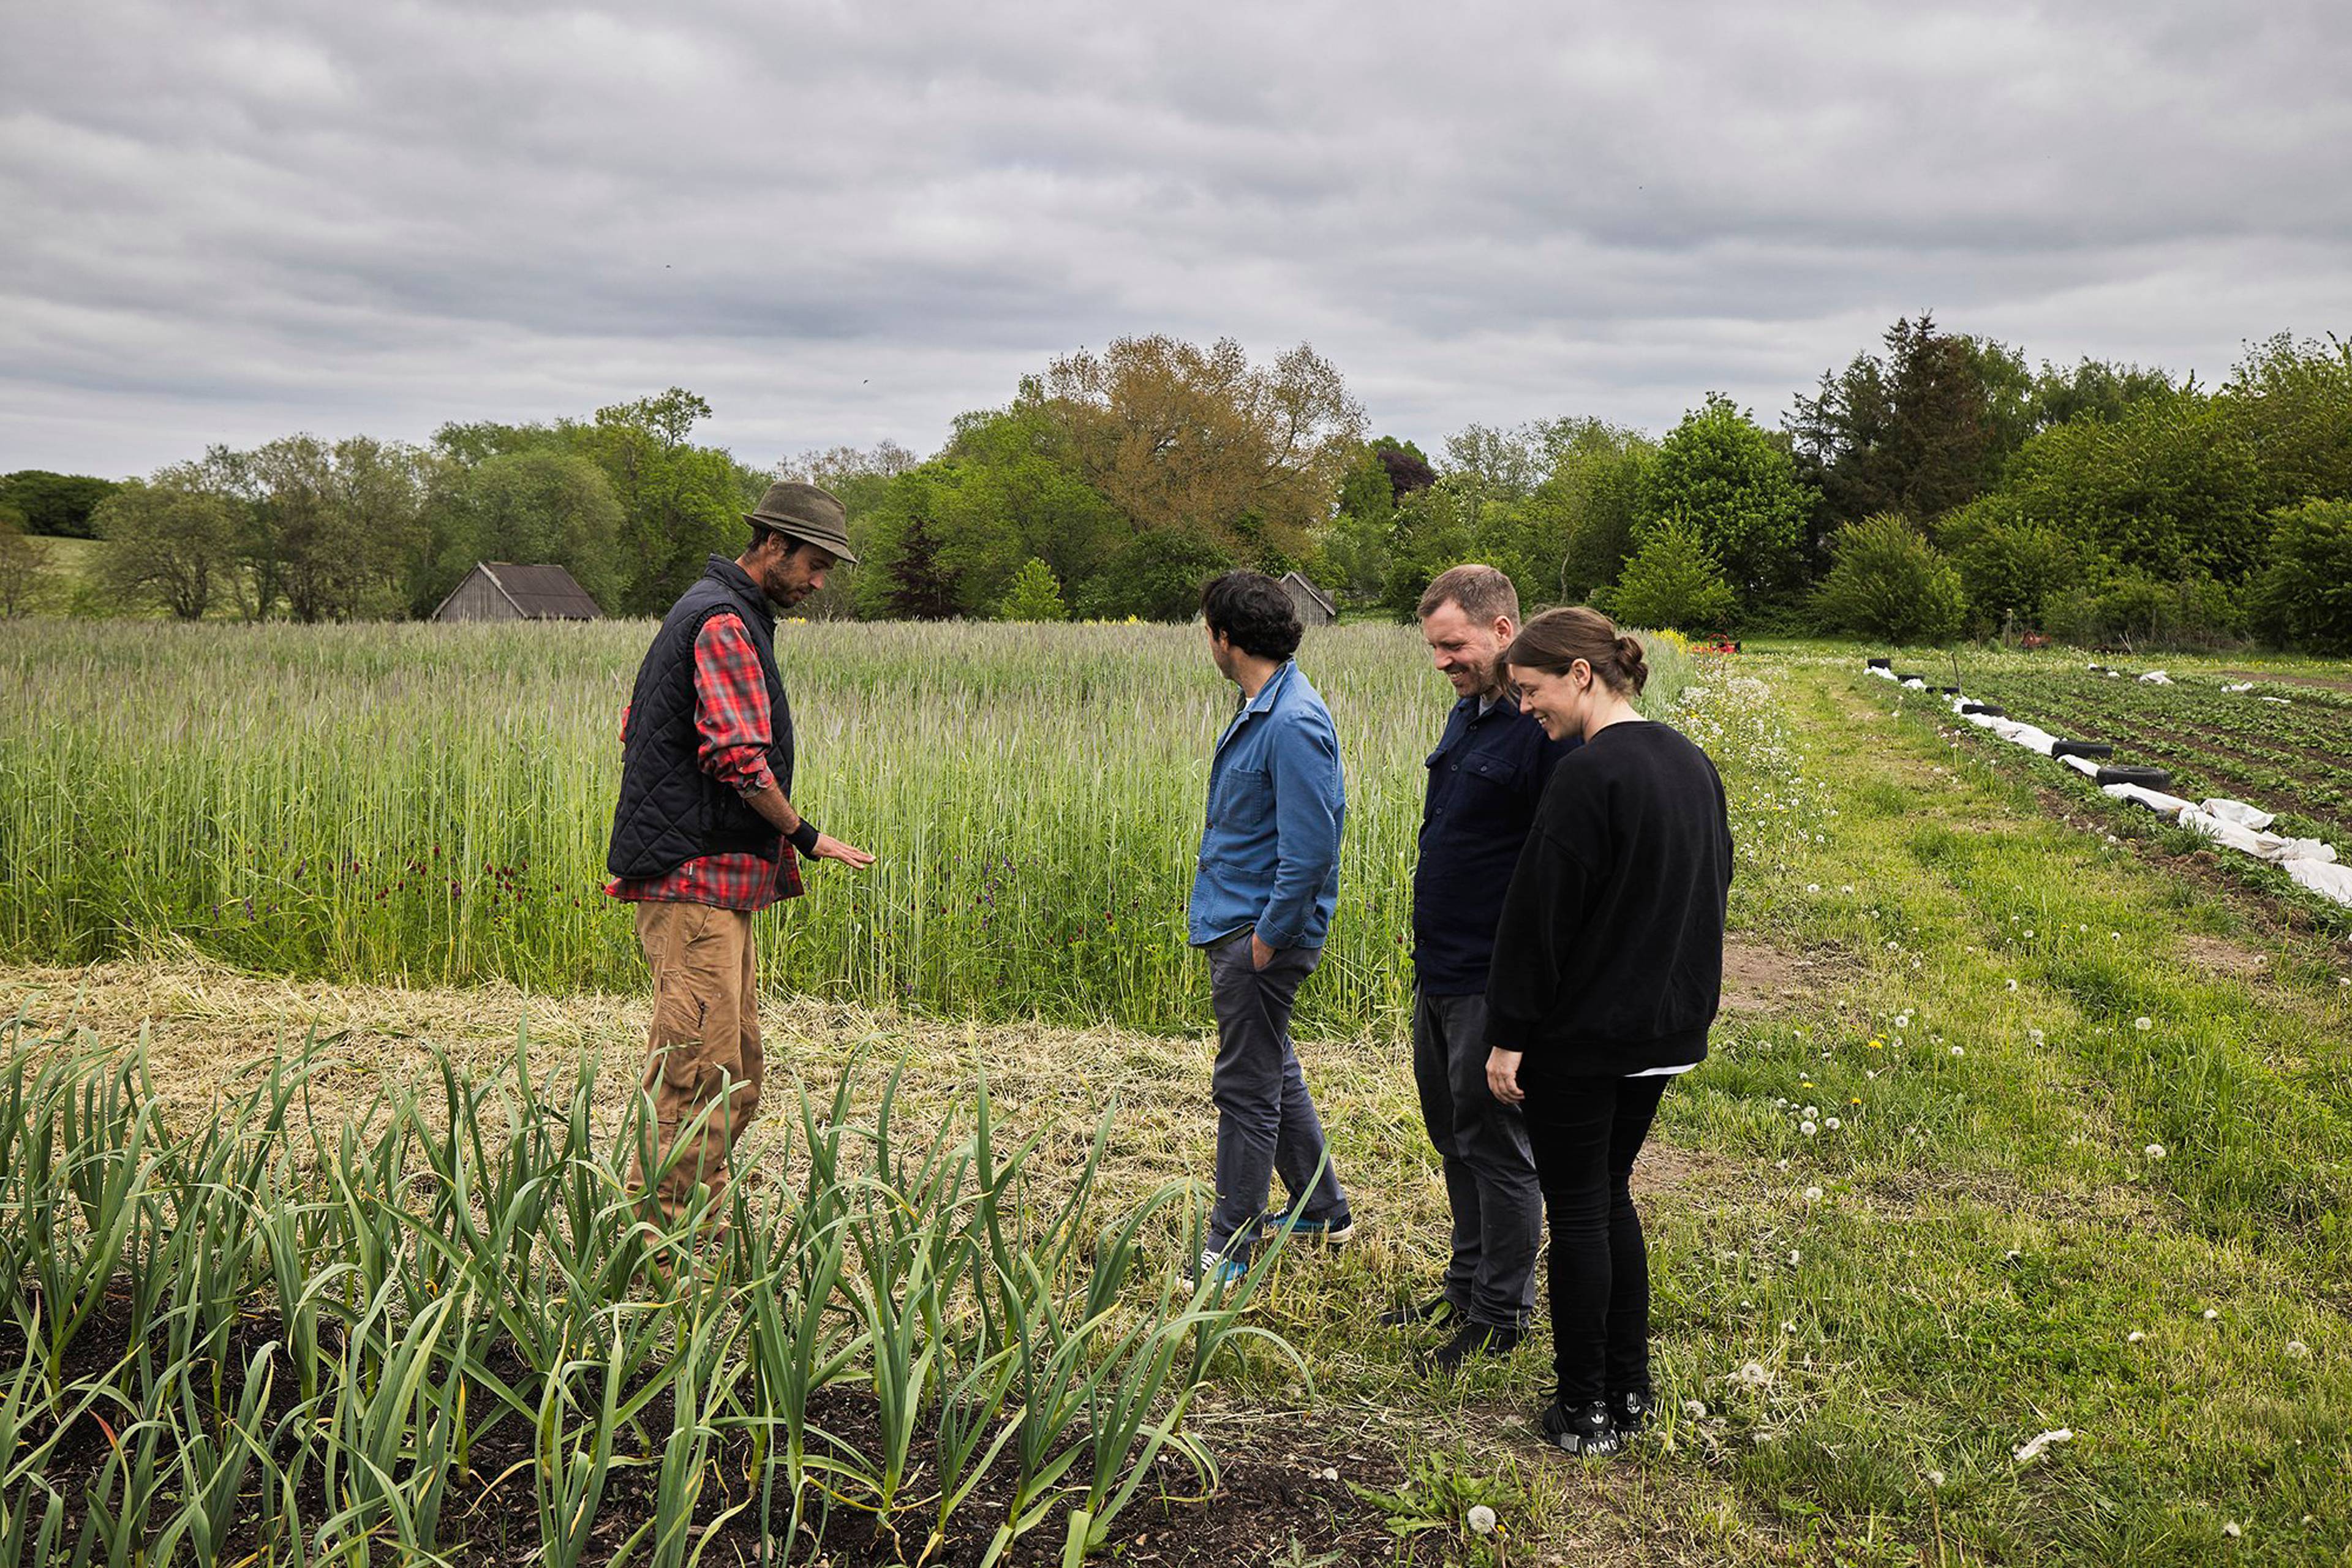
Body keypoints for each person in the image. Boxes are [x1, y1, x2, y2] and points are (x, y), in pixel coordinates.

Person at [1482, 606, 1732, 1456]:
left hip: (1585, 1040)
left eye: (1532, 689)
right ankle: (1631, 1389)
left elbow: (1538, 922)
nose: (1526, 709)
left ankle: (1584, 1407)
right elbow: (1710, 896)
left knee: (1581, 1210)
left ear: (1581, 675)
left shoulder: (1587, 777)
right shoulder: (1689, 763)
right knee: (1609, 1195)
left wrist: (1509, 1035)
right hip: (1663, 1035)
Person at [605, 480, 876, 1242]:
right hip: (695, 881)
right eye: (816, 564)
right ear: (772, 546)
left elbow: (639, 725)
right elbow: (737, 756)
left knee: (734, 1077)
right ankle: (657, 1269)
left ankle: (700, 1240)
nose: (820, 583)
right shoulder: (722, 622)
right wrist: (805, 834)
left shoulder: (718, 613)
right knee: (694, 1082)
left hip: (716, 885)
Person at [1389, 565, 1575, 1370]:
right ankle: (1464, 1286)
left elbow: (1556, 871)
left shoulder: (1541, 732)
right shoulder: (1469, 716)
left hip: (1491, 981)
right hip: (1441, 970)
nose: (1443, 661)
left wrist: (1524, 1002)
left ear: (1504, 632)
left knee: (1498, 1146)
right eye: (1435, 647)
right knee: (1452, 1135)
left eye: (1454, 645)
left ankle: (1501, 1316)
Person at [1186, 570, 1354, 1284]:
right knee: (1271, 1062)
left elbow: (1312, 848)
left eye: (1207, 631)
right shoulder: (1264, 702)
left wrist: (1267, 937)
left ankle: (1230, 1248)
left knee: (1246, 1085)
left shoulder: (1292, 721)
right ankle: (1321, 1208)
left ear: (1226, 639)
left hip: (1261, 932)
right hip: (1243, 918)